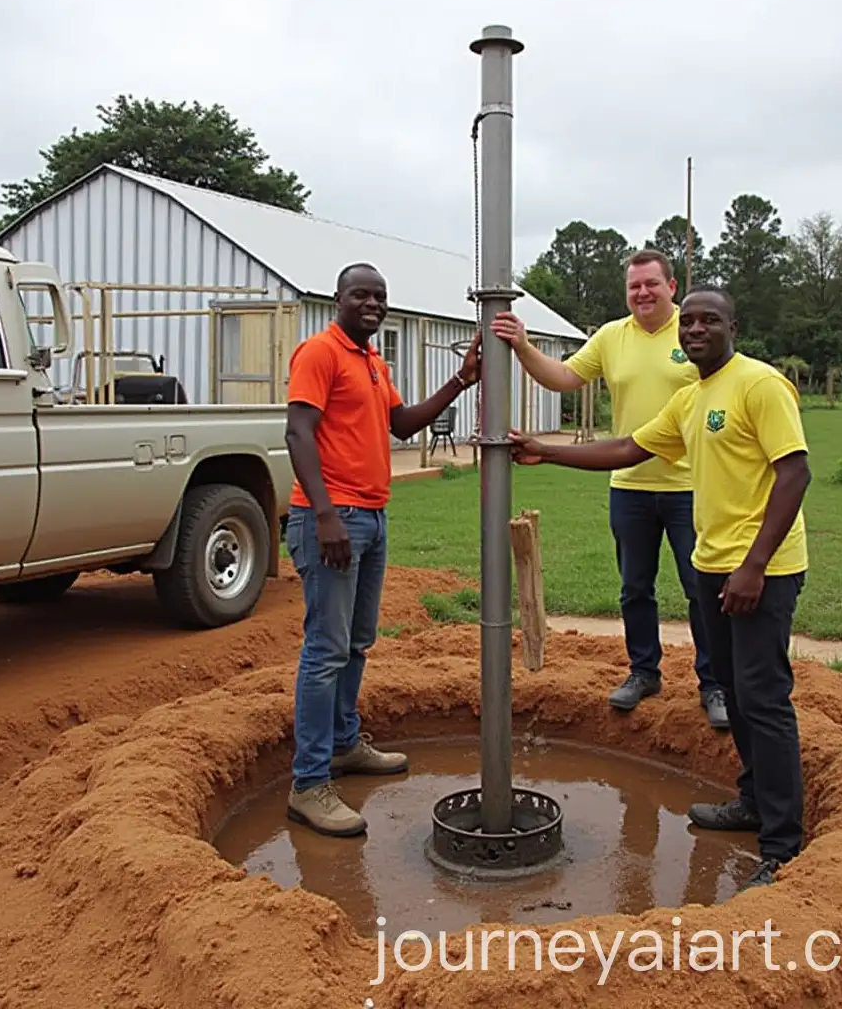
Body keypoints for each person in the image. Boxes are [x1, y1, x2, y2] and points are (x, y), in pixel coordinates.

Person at [508, 284, 811, 889]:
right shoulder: (693, 398)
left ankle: (782, 845)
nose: (695, 329)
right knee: (736, 691)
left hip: (762, 570)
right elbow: (628, 447)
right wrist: (545, 450)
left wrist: (753, 566)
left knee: (764, 699)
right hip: (713, 563)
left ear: (733, 326)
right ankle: (752, 801)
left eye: (709, 321)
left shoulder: (759, 384)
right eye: (690, 323)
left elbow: (794, 473)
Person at [283, 262, 481, 837]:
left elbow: (402, 424)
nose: (372, 303)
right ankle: (309, 784)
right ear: (337, 299)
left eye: (380, 297)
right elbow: (297, 432)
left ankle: (344, 745)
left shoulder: (372, 361)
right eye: (360, 295)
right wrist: (323, 515)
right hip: (334, 518)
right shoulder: (318, 353)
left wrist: (462, 382)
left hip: (371, 515)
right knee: (325, 650)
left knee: (358, 643)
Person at [492, 249, 727, 728]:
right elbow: (563, 378)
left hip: (689, 487)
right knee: (634, 589)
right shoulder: (611, 337)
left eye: (651, 284)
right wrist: (522, 346)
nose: (642, 293)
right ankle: (644, 672)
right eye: (634, 286)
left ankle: (715, 683)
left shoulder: (694, 329)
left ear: (672, 287)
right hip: (630, 485)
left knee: (700, 588)